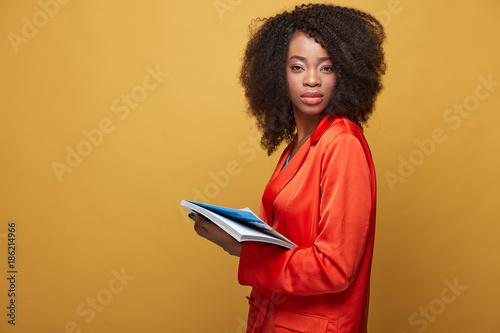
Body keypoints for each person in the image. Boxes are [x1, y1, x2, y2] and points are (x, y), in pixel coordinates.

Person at [189, 3, 386, 332]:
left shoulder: (342, 144)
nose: (312, 80)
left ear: (346, 73)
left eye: (326, 67)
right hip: (272, 319)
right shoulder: (294, 148)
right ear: (277, 75)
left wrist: (242, 249)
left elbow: (335, 267)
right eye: (297, 67)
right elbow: (284, 240)